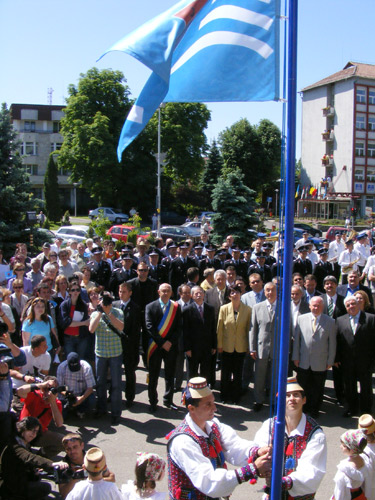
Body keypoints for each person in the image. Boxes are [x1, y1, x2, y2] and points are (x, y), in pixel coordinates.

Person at [167, 377, 271, 500]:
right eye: (208, 404)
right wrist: (251, 469)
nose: (215, 408)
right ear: (192, 409)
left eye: (213, 402)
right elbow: (208, 481)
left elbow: (234, 446)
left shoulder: (213, 426)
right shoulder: (183, 441)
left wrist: (256, 452)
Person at [254, 377, 327, 500]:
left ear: (304, 400)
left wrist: (283, 482)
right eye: (287, 395)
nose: (292, 399)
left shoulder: (315, 434)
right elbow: (258, 447)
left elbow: (311, 472)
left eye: (296, 395)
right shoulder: (270, 424)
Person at [0, 416, 68, 500]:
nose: (33, 434)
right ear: (22, 429)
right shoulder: (14, 446)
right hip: (9, 485)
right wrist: (52, 464)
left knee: (38, 478)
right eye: (30, 430)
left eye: (35, 431)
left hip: (16, 479)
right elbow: (29, 457)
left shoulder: (24, 443)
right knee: (45, 487)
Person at [292, 296, 337, 418]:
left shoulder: (330, 321)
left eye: (318, 305)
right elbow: (297, 341)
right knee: (303, 387)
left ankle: (315, 409)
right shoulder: (301, 319)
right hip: (303, 361)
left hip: (320, 362)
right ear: (309, 306)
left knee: (317, 388)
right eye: (314, 305)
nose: (316, 308)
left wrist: (330, 360)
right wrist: (295, 356)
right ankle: (303, 409)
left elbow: (332, 343)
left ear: (322, 307)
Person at [145, 283, 182, 413]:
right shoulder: (150, 306)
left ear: (171, 293)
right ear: (158, 292)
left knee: (170, 375)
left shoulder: (176, 307)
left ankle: (168, 400)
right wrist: (162, 343)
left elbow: (178, 327)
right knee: (154, 376)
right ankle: (153, 402)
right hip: (155, 346)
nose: (165, 293)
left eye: (168, 291)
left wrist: (170, 342)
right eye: (163, 291)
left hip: (170, 347)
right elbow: (149, 327)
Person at [89, 292, 124, 425]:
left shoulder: (118, 312)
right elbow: (91, 329)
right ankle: (101, 408)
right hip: (101, 354)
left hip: (115, 353)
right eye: (104, 301)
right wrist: (99, 312)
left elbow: (120, 327)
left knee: (116, 384)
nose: (106, 304)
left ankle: (116, 413)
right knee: (100, 383)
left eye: (108, 302)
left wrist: (109, 313)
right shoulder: (95, 313)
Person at [336, 296, 375, 417]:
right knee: (349, 386)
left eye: (353, 304)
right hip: (347, 361)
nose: (351, 306)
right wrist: (336, 358)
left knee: (366, 387)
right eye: (348, 305)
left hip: (365, 360)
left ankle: (366, 410)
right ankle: (352, 409)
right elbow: (337, 341)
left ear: (358, 304)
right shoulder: (340, 320)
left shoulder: (370, 318)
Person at [217, 284, 251, 404]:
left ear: (240, 294)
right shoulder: (224, 309)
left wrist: (248, 346)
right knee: (225, 373)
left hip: (241, 347)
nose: (235, 294)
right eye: (232, 292)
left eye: (237, 292)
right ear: (229, 296)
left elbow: (248, 330)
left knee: (238, 373)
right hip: (226, 346)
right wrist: (219, 345)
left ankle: (236, 396)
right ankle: (224, 396)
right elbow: (220, 328)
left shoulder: (247, 310)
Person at [17, 376, 65, 458]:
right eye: (46, 389)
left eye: (51, 390)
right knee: (21, 455)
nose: (48, 392)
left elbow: (59, 423)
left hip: (39, 433)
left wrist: (52, 402)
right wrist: (41, 385)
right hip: (23, 431)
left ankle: (41, 456)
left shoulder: (56, 403)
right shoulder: (34, 395)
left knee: (64, 441)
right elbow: (19, 391)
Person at [249, 282, 278, 412]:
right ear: (264, 292)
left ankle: (274, 400)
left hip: (277, 348)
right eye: (267, 290)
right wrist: (252, 348)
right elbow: (252, 329)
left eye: (272, 290)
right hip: (261, 348)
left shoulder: (284, 307)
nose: (270, 293)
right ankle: (258, 400)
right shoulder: (257, 307)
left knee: (275, 377)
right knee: (259, 376)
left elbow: (288, 329)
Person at [113, 282, 142, 408]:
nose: (121, 294)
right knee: (114, 372)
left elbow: (135, 329)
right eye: (120, 291)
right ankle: (113, 395)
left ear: (130, 293)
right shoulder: (114, 305)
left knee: (130, 372)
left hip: (129, 346)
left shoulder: (135, 308)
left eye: (124, 292)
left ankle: (130, 397)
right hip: (114, 345)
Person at [183, 286, 216, 386]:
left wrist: (214, 345)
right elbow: (185, 331)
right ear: (192, 296)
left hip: (206, 347)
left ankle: (203, 395)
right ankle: (191, 395)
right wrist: (187, 348)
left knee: (205, 373)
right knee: (192, 373)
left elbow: (213, 328)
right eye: (196, 293)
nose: (199, 295)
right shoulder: (187, 310)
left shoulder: (210, 309)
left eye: (200, 293)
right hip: (192, 348)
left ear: (204, 295)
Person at [331, 430, 372, 500]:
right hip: (360, 496)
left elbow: (339, 493)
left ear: (352, 449)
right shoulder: (365, 461)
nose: (340, 446)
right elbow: (367, 485)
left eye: (344, 446)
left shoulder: (345, 470)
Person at [57, 352, 96, 418]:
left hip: (81, 394)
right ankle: (71, 409)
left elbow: (90, 388)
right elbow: (59, 387)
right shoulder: (61, 367)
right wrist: (68, 395)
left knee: (91, 400)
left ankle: (81, 409)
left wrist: (81, 398)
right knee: (62, 416)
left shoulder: (86, 367)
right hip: (67, 395)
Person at [59, 282, 90, 359]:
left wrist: (76, 323)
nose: (75, 292)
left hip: (81, 337)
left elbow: (87, 322)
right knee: (70, 360)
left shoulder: (83, 305)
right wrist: (83, 323)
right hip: (68, 338)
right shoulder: (64, 305)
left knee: (81, 360)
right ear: (69, 291)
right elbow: (66, 322)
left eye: (77, 290)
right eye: (73, 290)